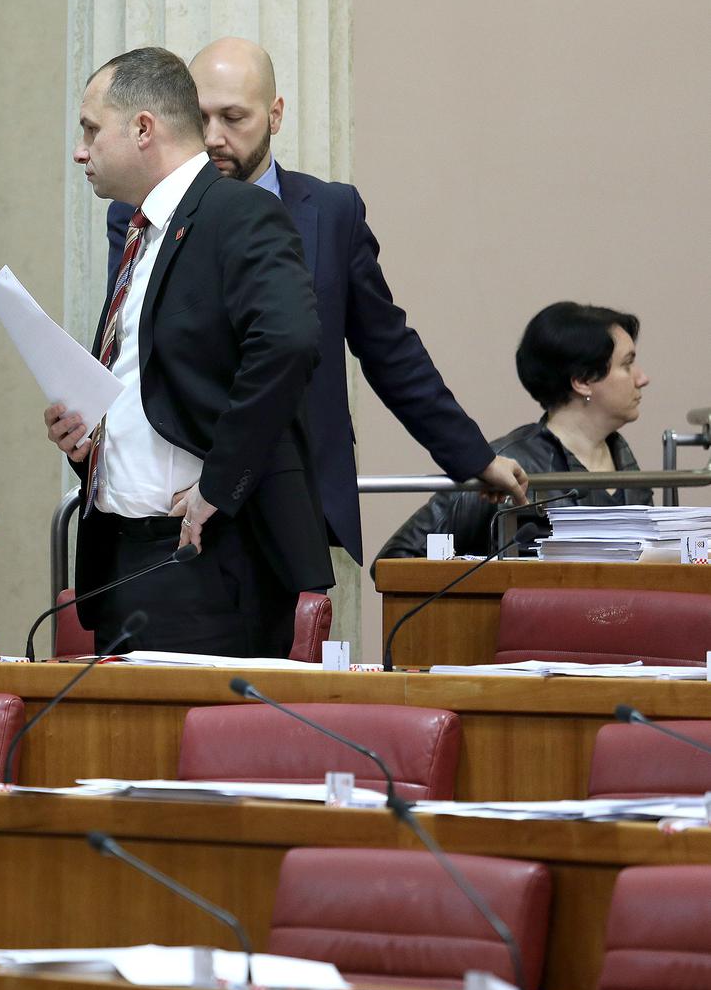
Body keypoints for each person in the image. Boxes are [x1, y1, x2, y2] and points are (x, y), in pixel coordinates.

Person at [105, 37, 528, 564]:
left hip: (302, 498)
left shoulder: (330, 212)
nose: (213, 137)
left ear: (275, 114)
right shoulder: (140, 214)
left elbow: (389, 348)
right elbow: (128, 349)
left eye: (234, 117)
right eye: (201, 117)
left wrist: (473, 457)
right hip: (178, 502)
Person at [45, 47, 332, 657]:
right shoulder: (138, 231)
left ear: (143, 129)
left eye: (91, 129)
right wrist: (92, 439)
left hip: (207, 559)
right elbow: (154, 378)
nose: (80, 151)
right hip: (120, 555)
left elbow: (287, 343)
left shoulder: (241, 212)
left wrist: (219, 485)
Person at [378, 302, 651, 559]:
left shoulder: (626, 462)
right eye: (627, 365)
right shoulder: (508, 465)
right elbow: (398, 557)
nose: (642, 379)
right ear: (583, 381)